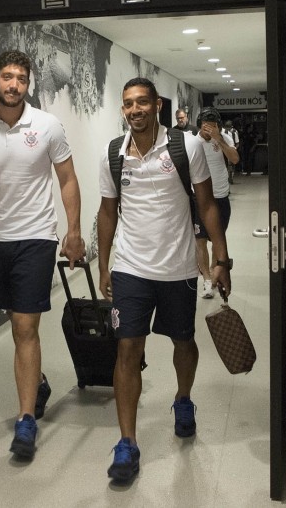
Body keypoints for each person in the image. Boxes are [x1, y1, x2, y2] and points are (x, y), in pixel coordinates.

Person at [0, 50, 85, 461]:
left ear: (29, 84)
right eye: (7, 77)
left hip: (36, 238)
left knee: (25, 327)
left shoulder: (47, 126)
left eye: (21, 79)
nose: (14, 85)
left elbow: (68, 179)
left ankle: (25, 420)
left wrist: (73, 230)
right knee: (16, 323)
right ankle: (37, 381)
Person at [97, 78, 232, 483]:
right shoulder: (113, 154)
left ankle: (184, 398)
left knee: (183, 341)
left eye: (141, 102)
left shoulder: (185, 146)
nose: (135, 109)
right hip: (131, 267)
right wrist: (105, 265)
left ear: (156, 105)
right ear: (123, 110)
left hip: (178, 267)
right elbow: (107, 213)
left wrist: (221, 260)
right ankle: (127, 442)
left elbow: (206, 205)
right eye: (127, 104)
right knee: (126, 349)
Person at [194, 108, 239, 298]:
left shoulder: (223, 139)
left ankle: (215, 273)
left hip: (220, 197)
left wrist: (218, 139)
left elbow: (235, 159)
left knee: (217, 240)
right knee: (200, 240)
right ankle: (206, 280)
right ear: (200, 125)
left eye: (213, 126)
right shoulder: (192, 142)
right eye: (206, 126)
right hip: (198, 198)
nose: (209, 130)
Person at [221, 119, 240, 184]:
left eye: (229, 127)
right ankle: (227, 178)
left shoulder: (234, 132)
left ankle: (230, 177)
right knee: (227, 165)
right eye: (226, 127)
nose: (228, 129)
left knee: (231, 165)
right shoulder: (222, 132)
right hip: (224, 150)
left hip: (231, 150)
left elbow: (237, 143)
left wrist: (234, 149)